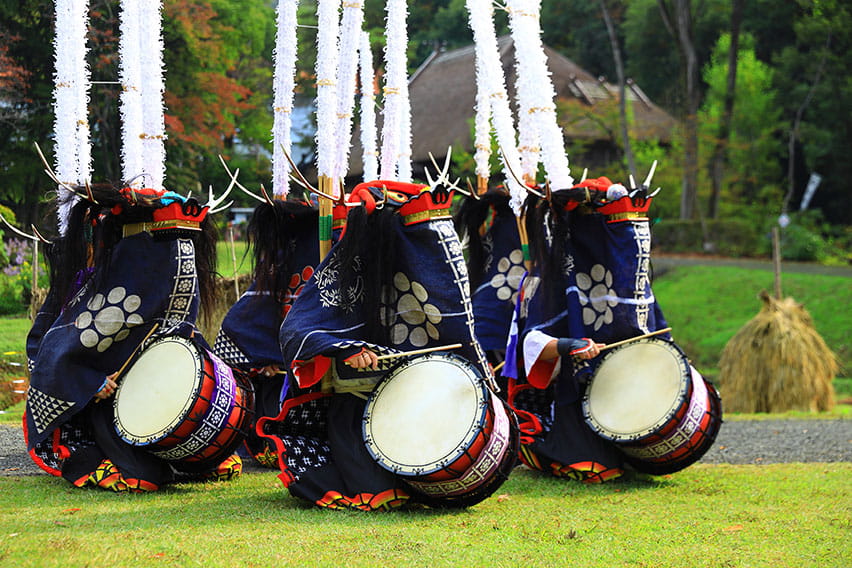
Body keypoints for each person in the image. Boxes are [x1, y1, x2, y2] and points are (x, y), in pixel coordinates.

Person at [259, 180, 496, 511]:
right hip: (357, 409)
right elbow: (297, 330)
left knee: (436, 483)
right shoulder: (349, 264)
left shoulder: (430, 260)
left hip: (419, 408)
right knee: (383, 495)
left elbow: (457, 330)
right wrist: (344, 350)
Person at [24, 182, 242, 491]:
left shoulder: (169, 281)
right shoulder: (104, 291)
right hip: (103, 407)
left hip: (155, 399)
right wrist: (90, 382)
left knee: (206, 454)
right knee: (145, 477)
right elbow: (52, 354)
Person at [503, 175, 671, 482]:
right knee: (594, 466)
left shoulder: (630, 277)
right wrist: (572, 346)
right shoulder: (549, 278)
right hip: (571, 391)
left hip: (624, 392)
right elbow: (533, 344)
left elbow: (657, 337)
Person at [213, 198, 319, 467]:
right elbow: (238, 328)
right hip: (275, 378)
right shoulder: (278, 260)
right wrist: (260, 361)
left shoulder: (313, 252)